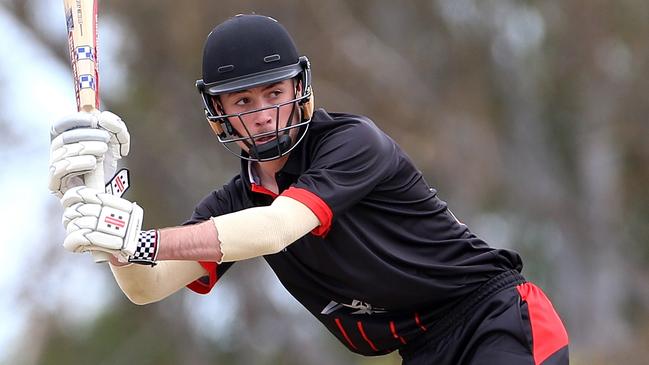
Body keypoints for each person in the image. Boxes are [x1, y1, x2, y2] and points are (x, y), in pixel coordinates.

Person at [49, 14, 569, 364]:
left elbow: (275, 228)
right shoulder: (233, 201)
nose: (263, 112)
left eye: (273, 92)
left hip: (495, 319)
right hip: (423, 350)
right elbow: (148, 286)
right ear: (219, 114)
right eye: (243, 101)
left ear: (299, 89)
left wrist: (138, 239)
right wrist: (109, 209)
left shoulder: (351, 142)